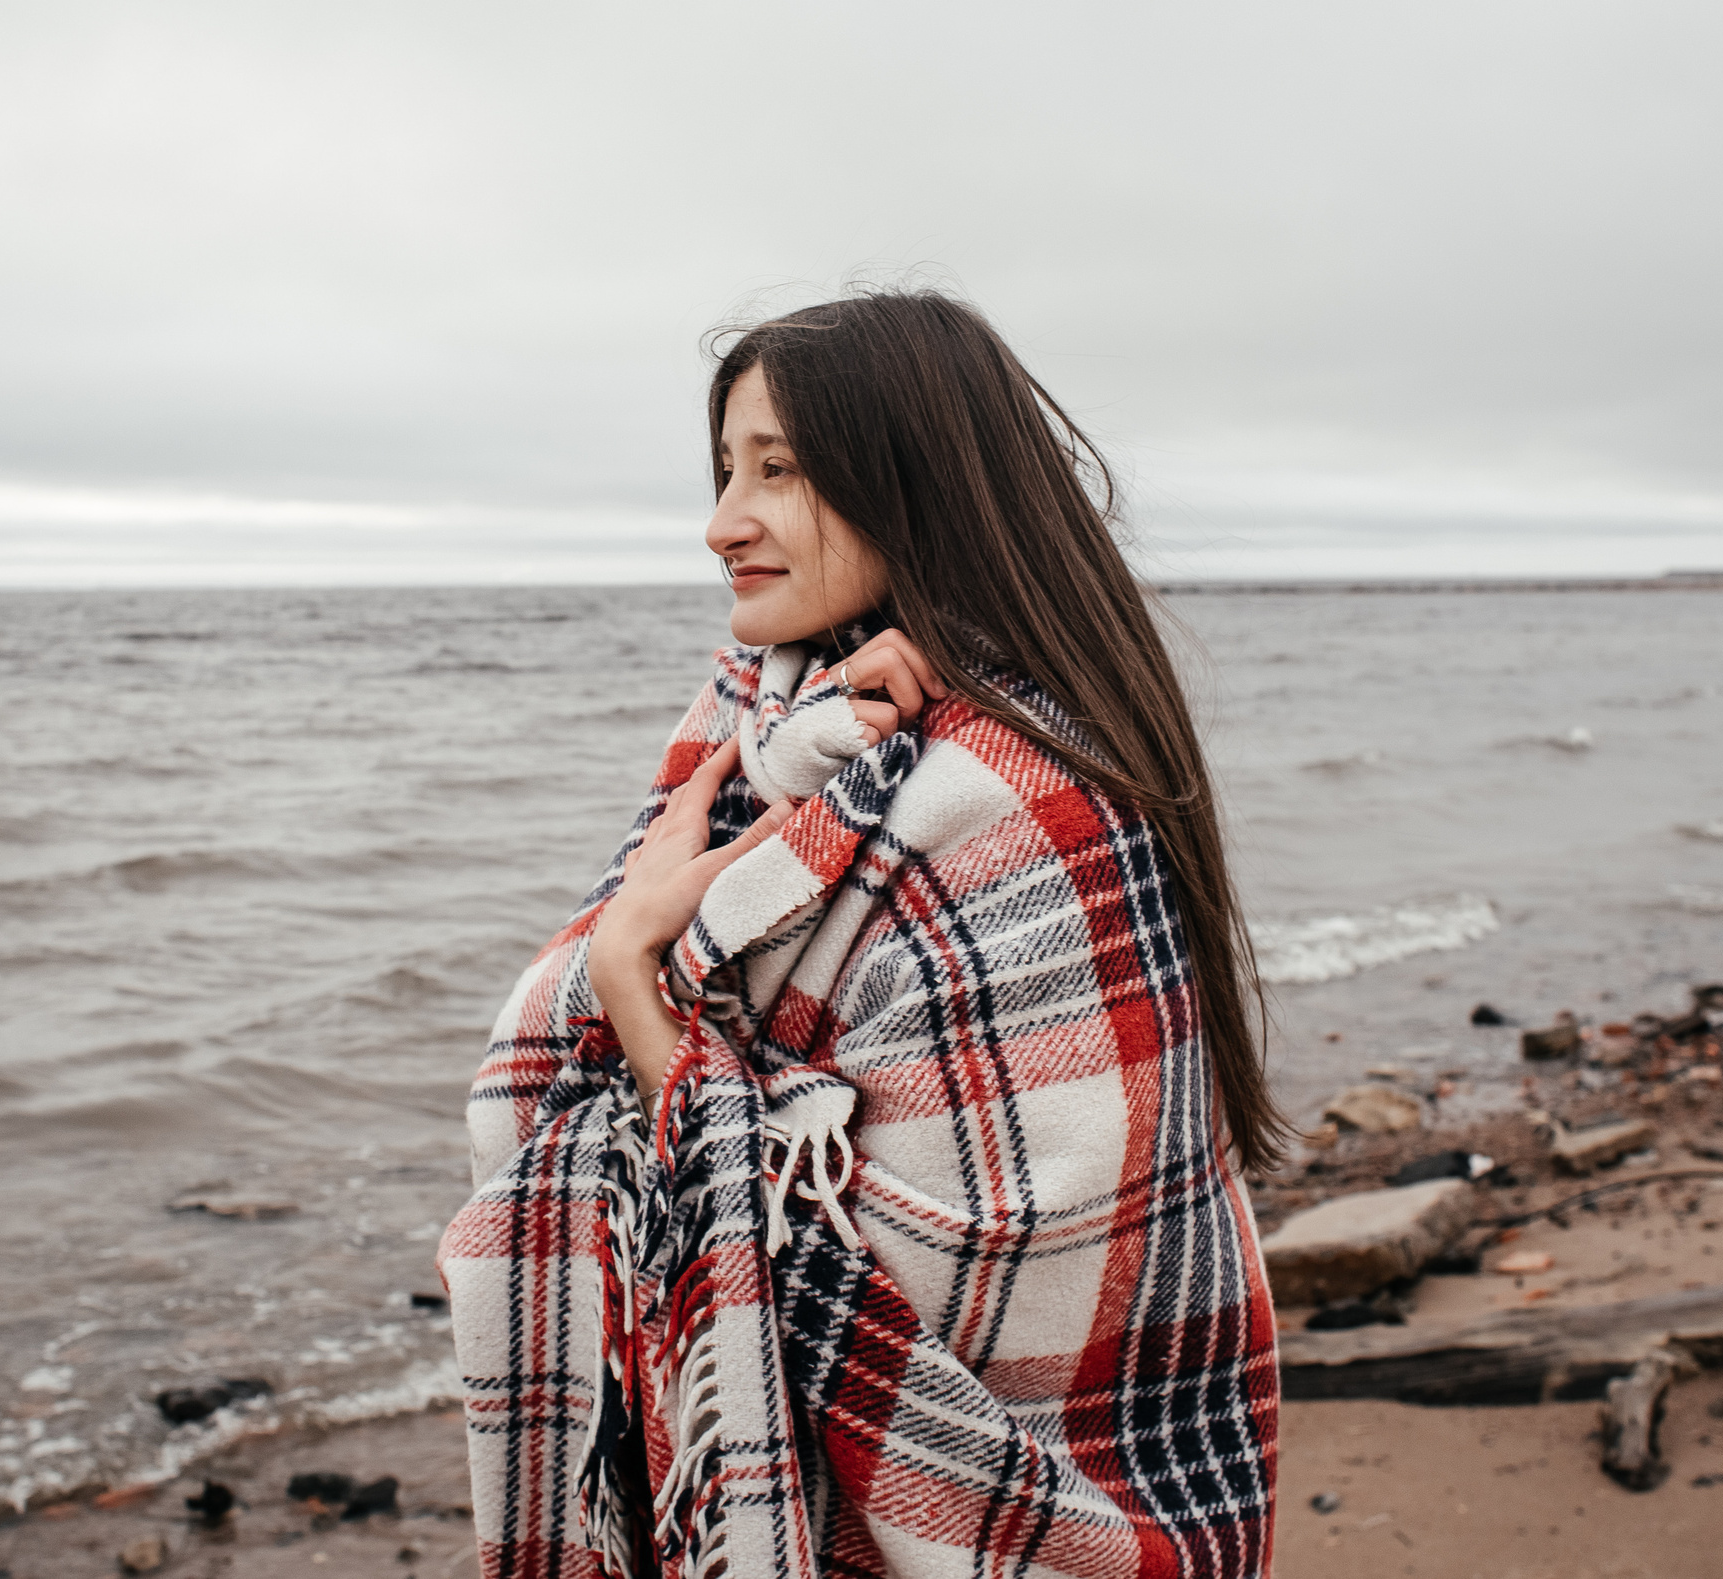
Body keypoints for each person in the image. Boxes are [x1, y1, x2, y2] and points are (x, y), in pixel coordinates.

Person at [437, 288, 1281, 1579]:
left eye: (777, 469)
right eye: (727, 469)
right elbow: (551, 1113)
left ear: (915, 479)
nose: (723, 524)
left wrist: (635, 987)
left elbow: (896, 1306)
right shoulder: (779, 749)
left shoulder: (1013, 807)